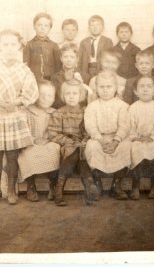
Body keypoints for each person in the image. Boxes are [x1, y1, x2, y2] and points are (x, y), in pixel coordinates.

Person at [0, 29, 39, 205]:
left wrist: (16, 103)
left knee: (12, 156)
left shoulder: (23, 70)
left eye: (12, 45)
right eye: (4, 44)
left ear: (19, 47)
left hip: (14, 115)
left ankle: (11, 190)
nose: (8, 48)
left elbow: (32, 92)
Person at [48, 78, 98, 206]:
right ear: (63, 95)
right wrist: (67, 141)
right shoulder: (59, 113)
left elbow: (89, 130)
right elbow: (53, 134)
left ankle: (85, 188)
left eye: (74, 93)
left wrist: (84, 141)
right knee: (74, 152)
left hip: (82, 145)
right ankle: (86, 185)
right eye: (67, 94)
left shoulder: (85, 112)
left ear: (81, 95)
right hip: (67, 145)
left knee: (81, 153)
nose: (71, 97)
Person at [85, 71, 131, 200]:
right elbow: (90, 126)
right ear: (97, 88)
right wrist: (101, 140)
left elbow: (124, 126)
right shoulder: (92, 107)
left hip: (117, 138)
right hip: (99, 138)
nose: (105, 90)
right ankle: (98, 183)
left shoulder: (123, 106)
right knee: (91, 146)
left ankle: (116, 185)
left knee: (126, 146)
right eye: (102, 87)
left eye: (109, 87)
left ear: (116, 88)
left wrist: (116, 141)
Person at [18, 80, 60, 202]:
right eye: (42, 95)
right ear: (36, 95)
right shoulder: (27, 111)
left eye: (50, 96)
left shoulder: (54, 113)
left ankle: (53, 183)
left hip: (48, 142)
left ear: (53, 98)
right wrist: (33, 139)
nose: (46, 99)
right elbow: (22, 130)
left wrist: (48, 139)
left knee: (55, 149)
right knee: (27, 153)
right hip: (31, 142)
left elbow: (57, 131)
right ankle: (31, 185)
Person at [129, 76, 154, 200]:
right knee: (136, 149)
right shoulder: (133, 108)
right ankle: (135, 186)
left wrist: (152, 137)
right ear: (136, 91)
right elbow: (130, 126)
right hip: (138, 139)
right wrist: (135, 138)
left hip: (153, 140)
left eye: (149, 86)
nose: (145, 90)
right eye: (142, 86)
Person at [23, 12, 61, 80]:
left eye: (46, 25)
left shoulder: (54, 46)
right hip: (34, 80)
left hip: (51, 81)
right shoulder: (29, 45)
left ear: (50, 28)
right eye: (39, 25)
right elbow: (26, 66)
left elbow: (58, 67)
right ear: (34, 26)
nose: (42, 28)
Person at [51, 43, 88, 108]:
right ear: (61, 58)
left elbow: (85, 100)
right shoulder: (55, 77)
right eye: (65, 57)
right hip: (61, 109)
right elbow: (55, 100)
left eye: (72, 57)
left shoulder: (85, 76)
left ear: (77, 59)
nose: (68, 60)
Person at [78, 15, 113, 83]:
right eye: (92, 25)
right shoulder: (83, 42)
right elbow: (79, 61)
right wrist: (80, 74)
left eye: (98, 25)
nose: (95, 27)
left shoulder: (107, 41)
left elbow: (111, 61)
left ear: (102, 27)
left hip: (101, 71)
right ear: (88, 28)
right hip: (87, 71)